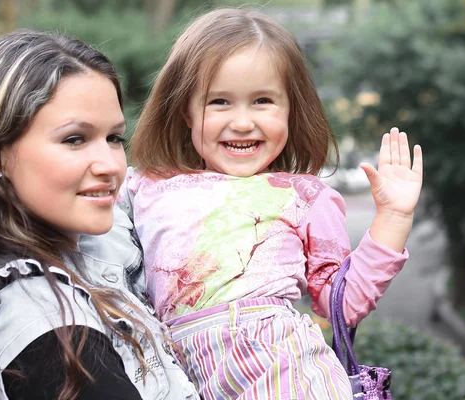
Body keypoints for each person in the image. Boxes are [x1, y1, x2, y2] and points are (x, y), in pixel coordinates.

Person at [120, 8, 424, 400]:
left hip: (286, 371)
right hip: (178, 374)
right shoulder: (145, 187)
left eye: (262, 101)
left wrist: (394, 218)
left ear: (290, 110)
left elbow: (340, 305)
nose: (243, 122)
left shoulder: (304, 196)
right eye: (220, 102)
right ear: (186, 111)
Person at [0, 30, 199, 400]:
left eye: (114, 138)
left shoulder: (98, 244)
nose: (109, 165)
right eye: (74, 139)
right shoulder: (50, 329)